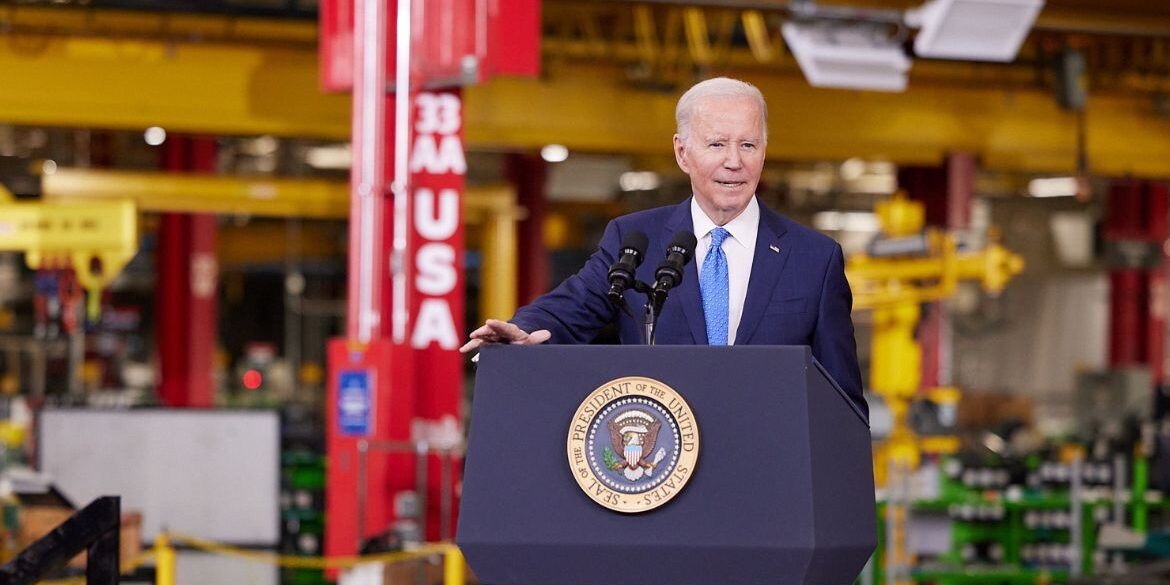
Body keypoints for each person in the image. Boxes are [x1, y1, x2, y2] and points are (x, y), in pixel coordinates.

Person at [460, 77, 866, 419]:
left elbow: (843, 401)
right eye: (716, 144)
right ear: (682, 152)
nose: (734, 162)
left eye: (748, 145)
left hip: (770, 478)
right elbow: (571, 308)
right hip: (659, 475)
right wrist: (522, 332)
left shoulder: (815, 258)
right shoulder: (635, 240)